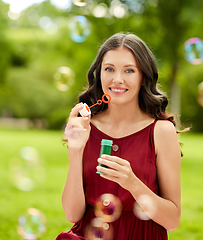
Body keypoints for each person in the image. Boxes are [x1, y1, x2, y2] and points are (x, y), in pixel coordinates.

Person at [56, 32, 185, 240]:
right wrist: (75, 150)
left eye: (129, 70)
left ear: (143, 77)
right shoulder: (86, 127)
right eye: (109, 69)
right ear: (99, 74)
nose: (117, 79)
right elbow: (72, 214)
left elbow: (172, 220)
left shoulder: (161, 131)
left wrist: (132, 182)